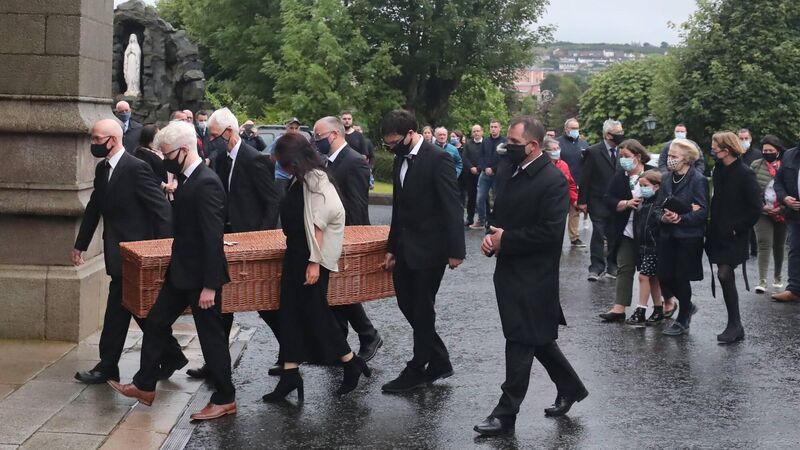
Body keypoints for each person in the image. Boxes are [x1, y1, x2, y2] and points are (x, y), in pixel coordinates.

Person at [108, 120, 236, 421]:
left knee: (211, 337)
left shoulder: (205, 182)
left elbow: (212, 237)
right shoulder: (190, 180)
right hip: (181, 274)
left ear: (184, 150)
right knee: (155, 322)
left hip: (200, 278)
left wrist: (210, 285)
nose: (164, 159)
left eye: (167, 154)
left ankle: (225, 397)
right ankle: (145, 385)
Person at [474, 116, 587, 436]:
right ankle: (571, 387)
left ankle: (505, 414)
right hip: (508, 270)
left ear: (533, 146)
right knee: (536, 338)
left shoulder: (553, 181)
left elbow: (550, 234)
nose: (507, 146)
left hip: (535, 277)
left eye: (514, 142)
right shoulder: (510, 170)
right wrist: (491, 238)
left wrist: (505, 240)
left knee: (520, 340)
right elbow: (500, 217)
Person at [72, 119, 185, 385]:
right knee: (132, 310)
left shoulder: (136, 168)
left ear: (113, 140)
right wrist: (80, 244)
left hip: (136, 255)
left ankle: (109, 366)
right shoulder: (103, 169)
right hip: (117, 253)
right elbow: (94, 207)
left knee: (123, 309)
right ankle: (170, 355)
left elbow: (161, 210)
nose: (93, 144)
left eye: (97, 139)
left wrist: (163, 250)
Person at [262, 132, 371, 402]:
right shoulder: (302, 177)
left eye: (285, 161)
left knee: (317, 314)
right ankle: (290, 373)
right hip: (296, 252)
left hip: (310, 256)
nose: (282, 166)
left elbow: (321, 221)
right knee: (289, 313)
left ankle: (350, 361)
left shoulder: (316, 178)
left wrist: (314, 263)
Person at [186, 107, 282, 380]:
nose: (211, 140)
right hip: (226, 239)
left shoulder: (254, 159)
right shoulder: (221, 159)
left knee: (265, 305)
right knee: (222, 305)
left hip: (250, 240)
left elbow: (272, 201)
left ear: (229, 132)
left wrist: (261, 239)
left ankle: (290, 355)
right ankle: (216, 362)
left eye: (214, 135)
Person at [380, 109, 465, 392]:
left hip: (432, 249)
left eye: (394, 142)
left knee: (423, 308)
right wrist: (391, 247)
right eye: (387, 144)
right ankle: (439, 360)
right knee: (408, 305)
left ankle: (417, 367)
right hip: (405, 247)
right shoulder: (400, 159)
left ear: (410, 133)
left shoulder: (438, 158)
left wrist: (456, 250)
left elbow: (452, 205)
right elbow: (399, 207)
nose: (391, 148)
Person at [313, 116, 383, 361]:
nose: (316, 141)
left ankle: (368, 334)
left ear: (334, 134)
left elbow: (357, 205)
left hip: (345, 237)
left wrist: (353, 239)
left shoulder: (354, 161)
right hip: (331, 235)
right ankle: (340, 344)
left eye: (319, 136)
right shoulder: (330, 161)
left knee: (341, 290)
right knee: (333, 292)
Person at [705, 132, 762, 343]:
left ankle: (735, 324)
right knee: (723, 276)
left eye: (715, 147)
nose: (712, 150)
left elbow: (755, 208)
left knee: (724, 274)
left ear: (726, 149)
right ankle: (735, 325)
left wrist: (737, 228)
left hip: (735, 234)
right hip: (718, 231)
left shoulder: (745, 173)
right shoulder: (719, 170)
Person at [597, 140, 652, 322]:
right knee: (624, 267)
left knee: (653, 271)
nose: (623, 160)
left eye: (626, 156)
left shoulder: (652, 173)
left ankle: (666, 303)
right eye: (621, 157)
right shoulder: (620, 176)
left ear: (638, 156)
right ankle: (619, 308)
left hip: (648, 232)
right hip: (626, 229)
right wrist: (626, 203)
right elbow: (608, 199)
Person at [659, 139, 708, 336]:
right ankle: (687, 306)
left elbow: (702, 211)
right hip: (667, 234)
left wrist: (681, 218)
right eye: (668, 155)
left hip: (688, 237)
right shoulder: (666, 178)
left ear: (687, 158)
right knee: (664, 276)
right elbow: (657, 205)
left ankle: (683, 319)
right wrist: (663, 217)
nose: (669, 159)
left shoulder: (698, 179)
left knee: (681, 277)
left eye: (674, 156)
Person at [579, 119, 625, 281]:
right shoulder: (593, 152)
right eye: (618, 133)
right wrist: (582, 201)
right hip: (597, 199)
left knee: (614, 234)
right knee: (599, 233)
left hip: (617, 201)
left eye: (622, 132)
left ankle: (612, 265)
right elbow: (585, 178)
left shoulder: (623, 151)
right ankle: (596, 267)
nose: (621, 135)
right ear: (608, 135)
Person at [626, 170, 666, 325]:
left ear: (656, 186)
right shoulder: (643, 203)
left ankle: (641, 310)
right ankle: (658, 310)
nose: (643, 189)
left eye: (646, 186)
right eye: (641, 186)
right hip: (643, 246)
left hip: (654, 247)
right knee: (653, 278)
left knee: (643, 277)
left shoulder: (660, 203)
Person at [751, 135, 788, 294]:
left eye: (770, 150)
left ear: (778, 151)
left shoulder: (786, 166)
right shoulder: (756, 165)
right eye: (764, 150)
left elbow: (791, 188)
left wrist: (782, 208)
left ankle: (778, 276)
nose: (767, 153)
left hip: (783, 211)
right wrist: (762, 207)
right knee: (764, 243)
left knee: (779, 245)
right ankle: (762, 280)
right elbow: (751, 189)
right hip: (762, 212)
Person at [772, 141, 800, 303]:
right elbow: (778, 182)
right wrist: (784, 198)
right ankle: (794, 289)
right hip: (794, 213)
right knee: (795, 249)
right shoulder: (789, 155)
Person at [557, 118, 589, 247]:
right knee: (559, 212)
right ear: (566, 129)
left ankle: (574, 237)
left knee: (575, 211)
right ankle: (556, 236)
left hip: (578, 183)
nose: (575, 130)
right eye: (573, 128)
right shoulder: (558, 143)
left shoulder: (584, 144)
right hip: (561, 183)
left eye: (577, 128)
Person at [472, 120, 506, 230]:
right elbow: (481, 157)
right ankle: (481, 220)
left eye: (495, 127)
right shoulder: (485, 141)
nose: (493, 129)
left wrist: (493, 169)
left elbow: (504, 160)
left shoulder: (504, 142)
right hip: (484, 174)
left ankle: (497, 222)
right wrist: (485, 168)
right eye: (491, 127)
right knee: (480, 198)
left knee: (497, 199)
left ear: (500, 128)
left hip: (497, 175)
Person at [133, 124, 177, 201]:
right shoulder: (142, 153)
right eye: (158, 135)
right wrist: (163, 185)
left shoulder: (161, 150)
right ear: (150, 137)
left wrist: (175, 183)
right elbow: (147, 174)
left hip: (171, 192)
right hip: (155, 194)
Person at [739, 128, 762, 258]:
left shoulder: (758, 154)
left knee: (754, 221)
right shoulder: (735, 154)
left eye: (746, 138)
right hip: (739, 193)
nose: (744, 141)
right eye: (741, 139)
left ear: (751, 139)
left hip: (754, 191)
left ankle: (755, 249)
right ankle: (743, 250)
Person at [268, 118, 302, 198]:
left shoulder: (301, 141)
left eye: (296, 128)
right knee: (280, 200)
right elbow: (272, 156)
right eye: (291, 128)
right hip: (281, 177)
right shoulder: (279, 140)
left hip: (296, 177)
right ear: (286, 127)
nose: (294, 131)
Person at [543, 137, 578, 206]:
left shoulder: (563, 165)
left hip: (561, 204)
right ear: (545, 151)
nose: (557, 151)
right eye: (554, 149)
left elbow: (570, 185)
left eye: (558, 148)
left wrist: (574, 200)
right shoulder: (541, 166)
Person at [461, 125, 483, 227]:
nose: (476, 133)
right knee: (471, 197)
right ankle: (470, 218)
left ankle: (484, 219)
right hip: (470, 175)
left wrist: (479, 168)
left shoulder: (485, 143)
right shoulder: (468, 144)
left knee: (484, 197)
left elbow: (486, 157)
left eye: (478, 131)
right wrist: (471, 167)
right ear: (472, 133)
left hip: (482, 173)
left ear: (482, 132)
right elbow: (464, 158)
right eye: (474, 131)